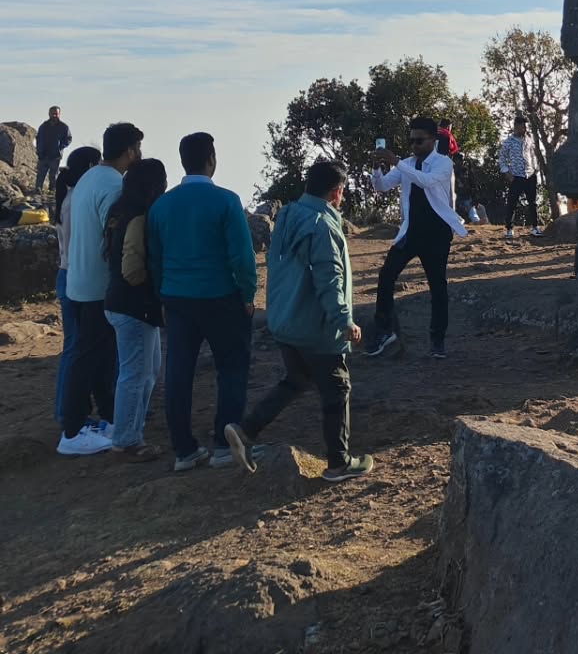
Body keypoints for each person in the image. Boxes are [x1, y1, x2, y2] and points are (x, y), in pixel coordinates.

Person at [225, 161, 373, 483]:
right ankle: (339, 463)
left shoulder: (289, 215)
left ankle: (245, 429)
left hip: (287, 321)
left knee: (296, 380)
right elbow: (329, 277)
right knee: (336, 389)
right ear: (337, 191)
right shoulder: (322, 224)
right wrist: (343, 320)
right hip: (315, 326)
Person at [148, 132, 257, 473]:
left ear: (183, 161)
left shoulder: (162, 205)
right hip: (222, 297)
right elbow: (242, 255)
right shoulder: (226, 201)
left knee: (178, 373)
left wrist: (161, 297)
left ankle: (184, 450)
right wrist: (248, 293)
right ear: (212, 159)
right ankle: (225, 444)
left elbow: (155, 258)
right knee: (232, 369)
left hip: (178, 298)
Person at [58, 123, 141, 455]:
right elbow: (117, 239)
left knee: (99, 357)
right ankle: (73, 431)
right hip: (97, 286)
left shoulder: (90, 178)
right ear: (129, 151)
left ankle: (103, 418)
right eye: (137, 148)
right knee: (88, 357)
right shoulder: (113, 185)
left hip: (78, 282)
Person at [366, 116, 469, 360]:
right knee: (387, 274)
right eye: (411, 141)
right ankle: (384, 330)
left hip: (437, 233)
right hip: (411, 231)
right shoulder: (408, 164)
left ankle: (437, 340)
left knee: (437, 286)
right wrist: (376, 167)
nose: (414, 146)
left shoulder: (443, 164)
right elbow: (381, 186)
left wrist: (397, 162)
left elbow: (427, 181)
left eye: (419, 141)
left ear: (433, 140)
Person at [103, 157, 168, 462]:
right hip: (135, 307)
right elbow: (132, 268)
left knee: (147, 370)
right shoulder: (139, 216)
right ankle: (126, 440)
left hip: (119, 302)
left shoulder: (118, 211)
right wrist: (151, 289)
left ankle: (132, 431)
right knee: (135, 373)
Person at [53, 146, 102, 429]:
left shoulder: (67, 199)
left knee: (73, 347)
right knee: (74, 349)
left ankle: (68, 410)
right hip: (75, 275)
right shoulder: (75, 202)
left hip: (65, 273)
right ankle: (68, 412)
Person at [500, 115, 540, 240]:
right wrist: (507, 172)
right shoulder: (508, 142)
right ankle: (509, 229)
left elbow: (533, 155)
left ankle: (535, 227)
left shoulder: (529, 140)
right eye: (521, 126)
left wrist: (535, 168)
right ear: (516, 127)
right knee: (512, 203)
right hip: (516, 176)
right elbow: (502, 158)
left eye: (524, 126)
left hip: (530, 175)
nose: (523, 128)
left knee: (532, 203)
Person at [35, 106, 72, 196]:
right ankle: (37, 192)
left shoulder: (64, 127)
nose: (54, 115)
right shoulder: (43, 126)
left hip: (55, 156)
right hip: (43, 155)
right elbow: (38, 138)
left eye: (56, 113)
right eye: (53, 113)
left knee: (53, 176)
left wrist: (60, 147)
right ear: (49, 114)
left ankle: (52, 193)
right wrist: (39, 150)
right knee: (40, 175)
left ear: (59, 114)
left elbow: (68, 139)